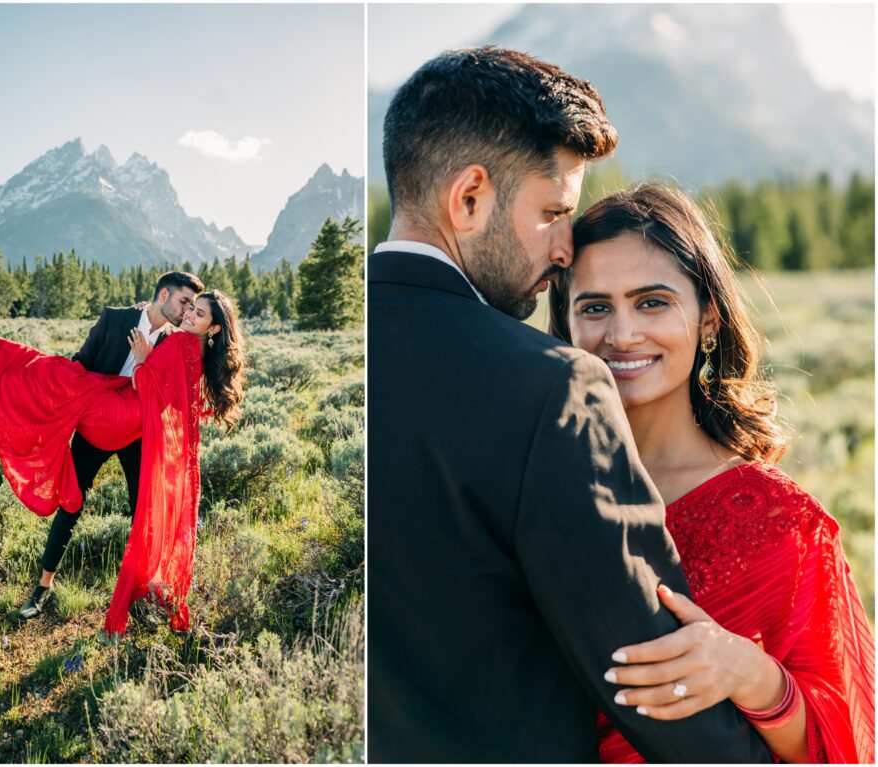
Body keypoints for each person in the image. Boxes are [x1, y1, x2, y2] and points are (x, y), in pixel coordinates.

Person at [368, 46, 772, 762]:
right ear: (469, 199)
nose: (564, 249)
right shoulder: (549, 386)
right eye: (554, 211)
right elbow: (653, 675)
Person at [547, 182, 875, 763]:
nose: (621, 335)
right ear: (567, 323)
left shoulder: (781, 520)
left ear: (708, 319)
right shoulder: (540, 486)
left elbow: (846, 739)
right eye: (595, 306)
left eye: (652, 302)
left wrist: (747, 673)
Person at [0, 289, 246, 635]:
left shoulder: (177, 341)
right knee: (63, 380)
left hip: (127, 425)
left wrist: (144, 359)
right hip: (108, 419)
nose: (188, 314)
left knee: (56, 377)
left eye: (197, 311)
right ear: (164, 294)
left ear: (212, 328)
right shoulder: (127, 321)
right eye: (186, 304)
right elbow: (88, 359)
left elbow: (154, 385)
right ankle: (45, 586)